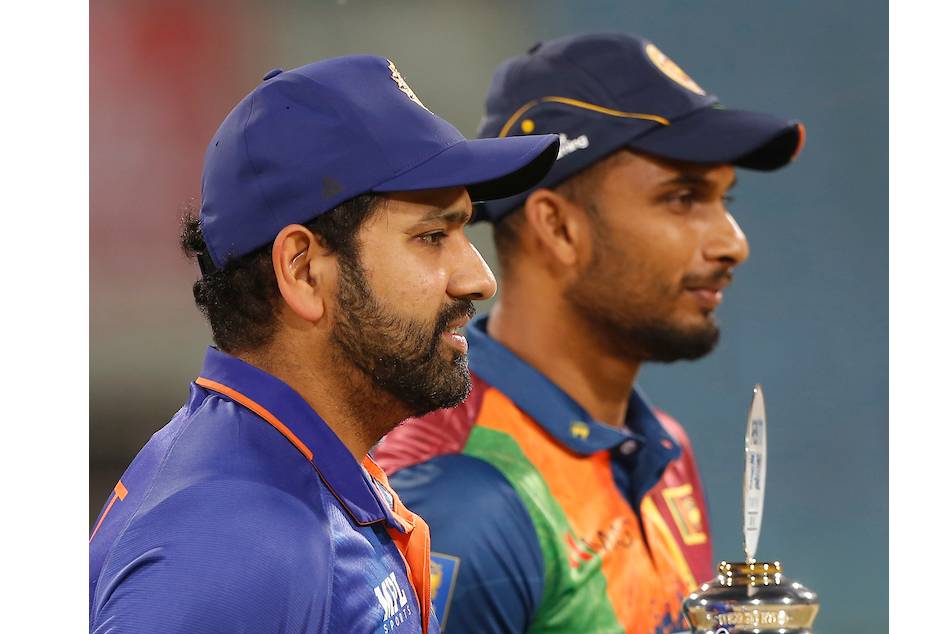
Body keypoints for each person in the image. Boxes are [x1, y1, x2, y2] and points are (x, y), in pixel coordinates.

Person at [88, 55, 558, 633]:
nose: (479, 280)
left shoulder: (286, 479)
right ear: (304, 270)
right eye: (432, 236)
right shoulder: (234, 542)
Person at [375, 33, 805, 633]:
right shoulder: (453, 494)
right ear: (558, 228)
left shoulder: (664, 448)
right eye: (683, 198)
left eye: (723, 199)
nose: (733, 242)